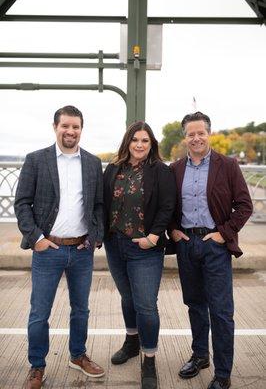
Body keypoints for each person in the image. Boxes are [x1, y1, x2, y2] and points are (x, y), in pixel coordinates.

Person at [14, 105, 105, 389]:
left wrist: (94, 237)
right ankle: (37, 365)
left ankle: (78, 355)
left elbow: (99, 206)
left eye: (76, 126)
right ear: (55, 127)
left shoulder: (92, 163)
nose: (70, 131)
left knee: (81, 309)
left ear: (81, 129)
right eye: (65, 126)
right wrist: (37, 239)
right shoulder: (36, 160)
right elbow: (22, 204)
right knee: (40, 312)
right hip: (48, 250)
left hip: (81, 250)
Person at [168, 111, 253, 389]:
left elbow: (244, 205)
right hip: (186, 245)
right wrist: (173, 230)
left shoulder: (227, 165)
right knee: (194, 305)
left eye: (200, 132)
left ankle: (223, 373)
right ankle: (200, 356)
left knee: (220, 311)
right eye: (190, 134)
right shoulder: (176, 168)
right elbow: (167, 206)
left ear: (209, 134)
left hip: (214, 246)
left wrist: (224, 234)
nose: (196, 138)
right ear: (185, 137)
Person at [103, 121, 176, 389]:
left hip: (145, 248)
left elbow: (168, 206)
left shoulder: (161, 171)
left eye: (145, 140)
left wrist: (154, 237)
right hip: (115, 244)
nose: (140, 145)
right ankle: (132, 342)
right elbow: (102, 203)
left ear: (151, 144)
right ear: (127, 142)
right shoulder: (113, 168)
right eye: (135, 140)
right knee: (127, 297)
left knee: (145, 305)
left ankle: (149, 358)